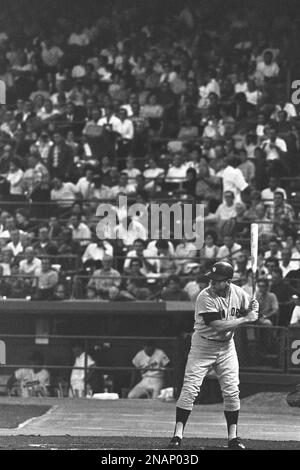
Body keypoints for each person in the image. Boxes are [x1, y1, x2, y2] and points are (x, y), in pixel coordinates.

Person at [168, 261, 259, 450]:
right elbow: (218, 325)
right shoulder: (204, 296)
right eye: (212, 279)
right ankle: (177, 435)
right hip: (203, 346)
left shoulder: (239, 293)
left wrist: (254, 309)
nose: (212, 283)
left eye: (217, 280)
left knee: (232, 391)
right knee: (190, 389)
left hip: (226, 347)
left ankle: (233, 438)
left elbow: (250, 310)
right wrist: (246, 318)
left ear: (227, 281)